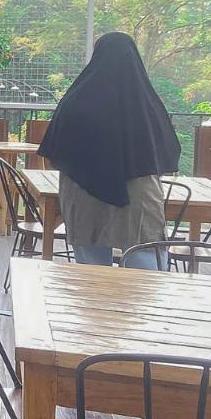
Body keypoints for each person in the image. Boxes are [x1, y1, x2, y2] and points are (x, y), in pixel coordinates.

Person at [37, 32, 181, 269]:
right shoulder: (146, 104)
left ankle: (94, 295)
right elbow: (167, 152)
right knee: (144, 266)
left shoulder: (75, 101)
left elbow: (55, 151)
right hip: (138, 194)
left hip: (83, 192)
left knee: (91, 271)